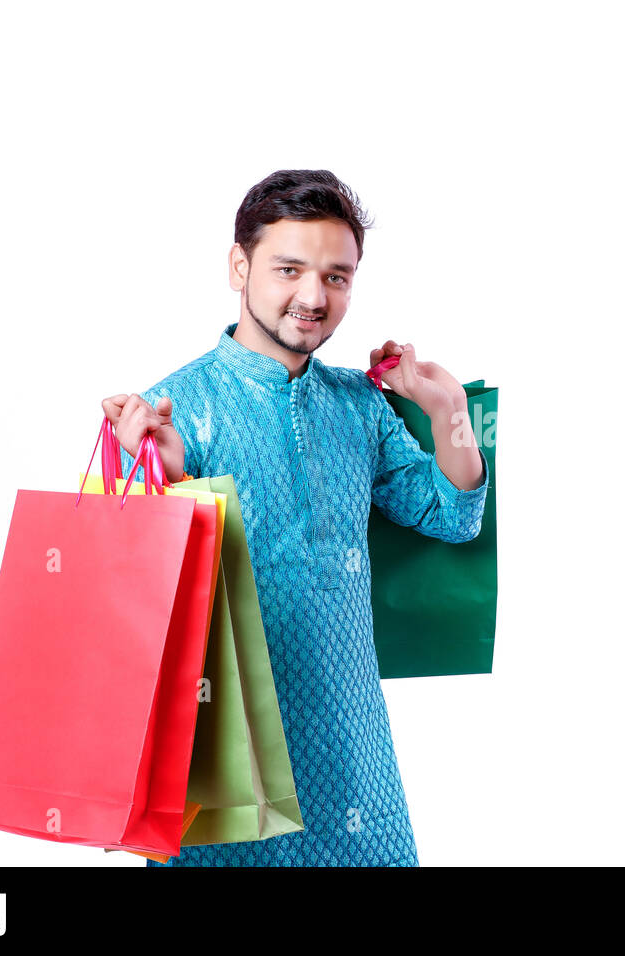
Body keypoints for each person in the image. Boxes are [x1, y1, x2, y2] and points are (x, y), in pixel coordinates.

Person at [103, 169, 488, 866]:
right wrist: (168, 477)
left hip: (352, 745)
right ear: (238, 266)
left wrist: (449, 413)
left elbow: (451, 517)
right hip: (227, 755)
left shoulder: (358, 405)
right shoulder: (166, 410)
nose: (313, 298)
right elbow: (132, 613)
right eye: (289, 269)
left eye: (337, 277)